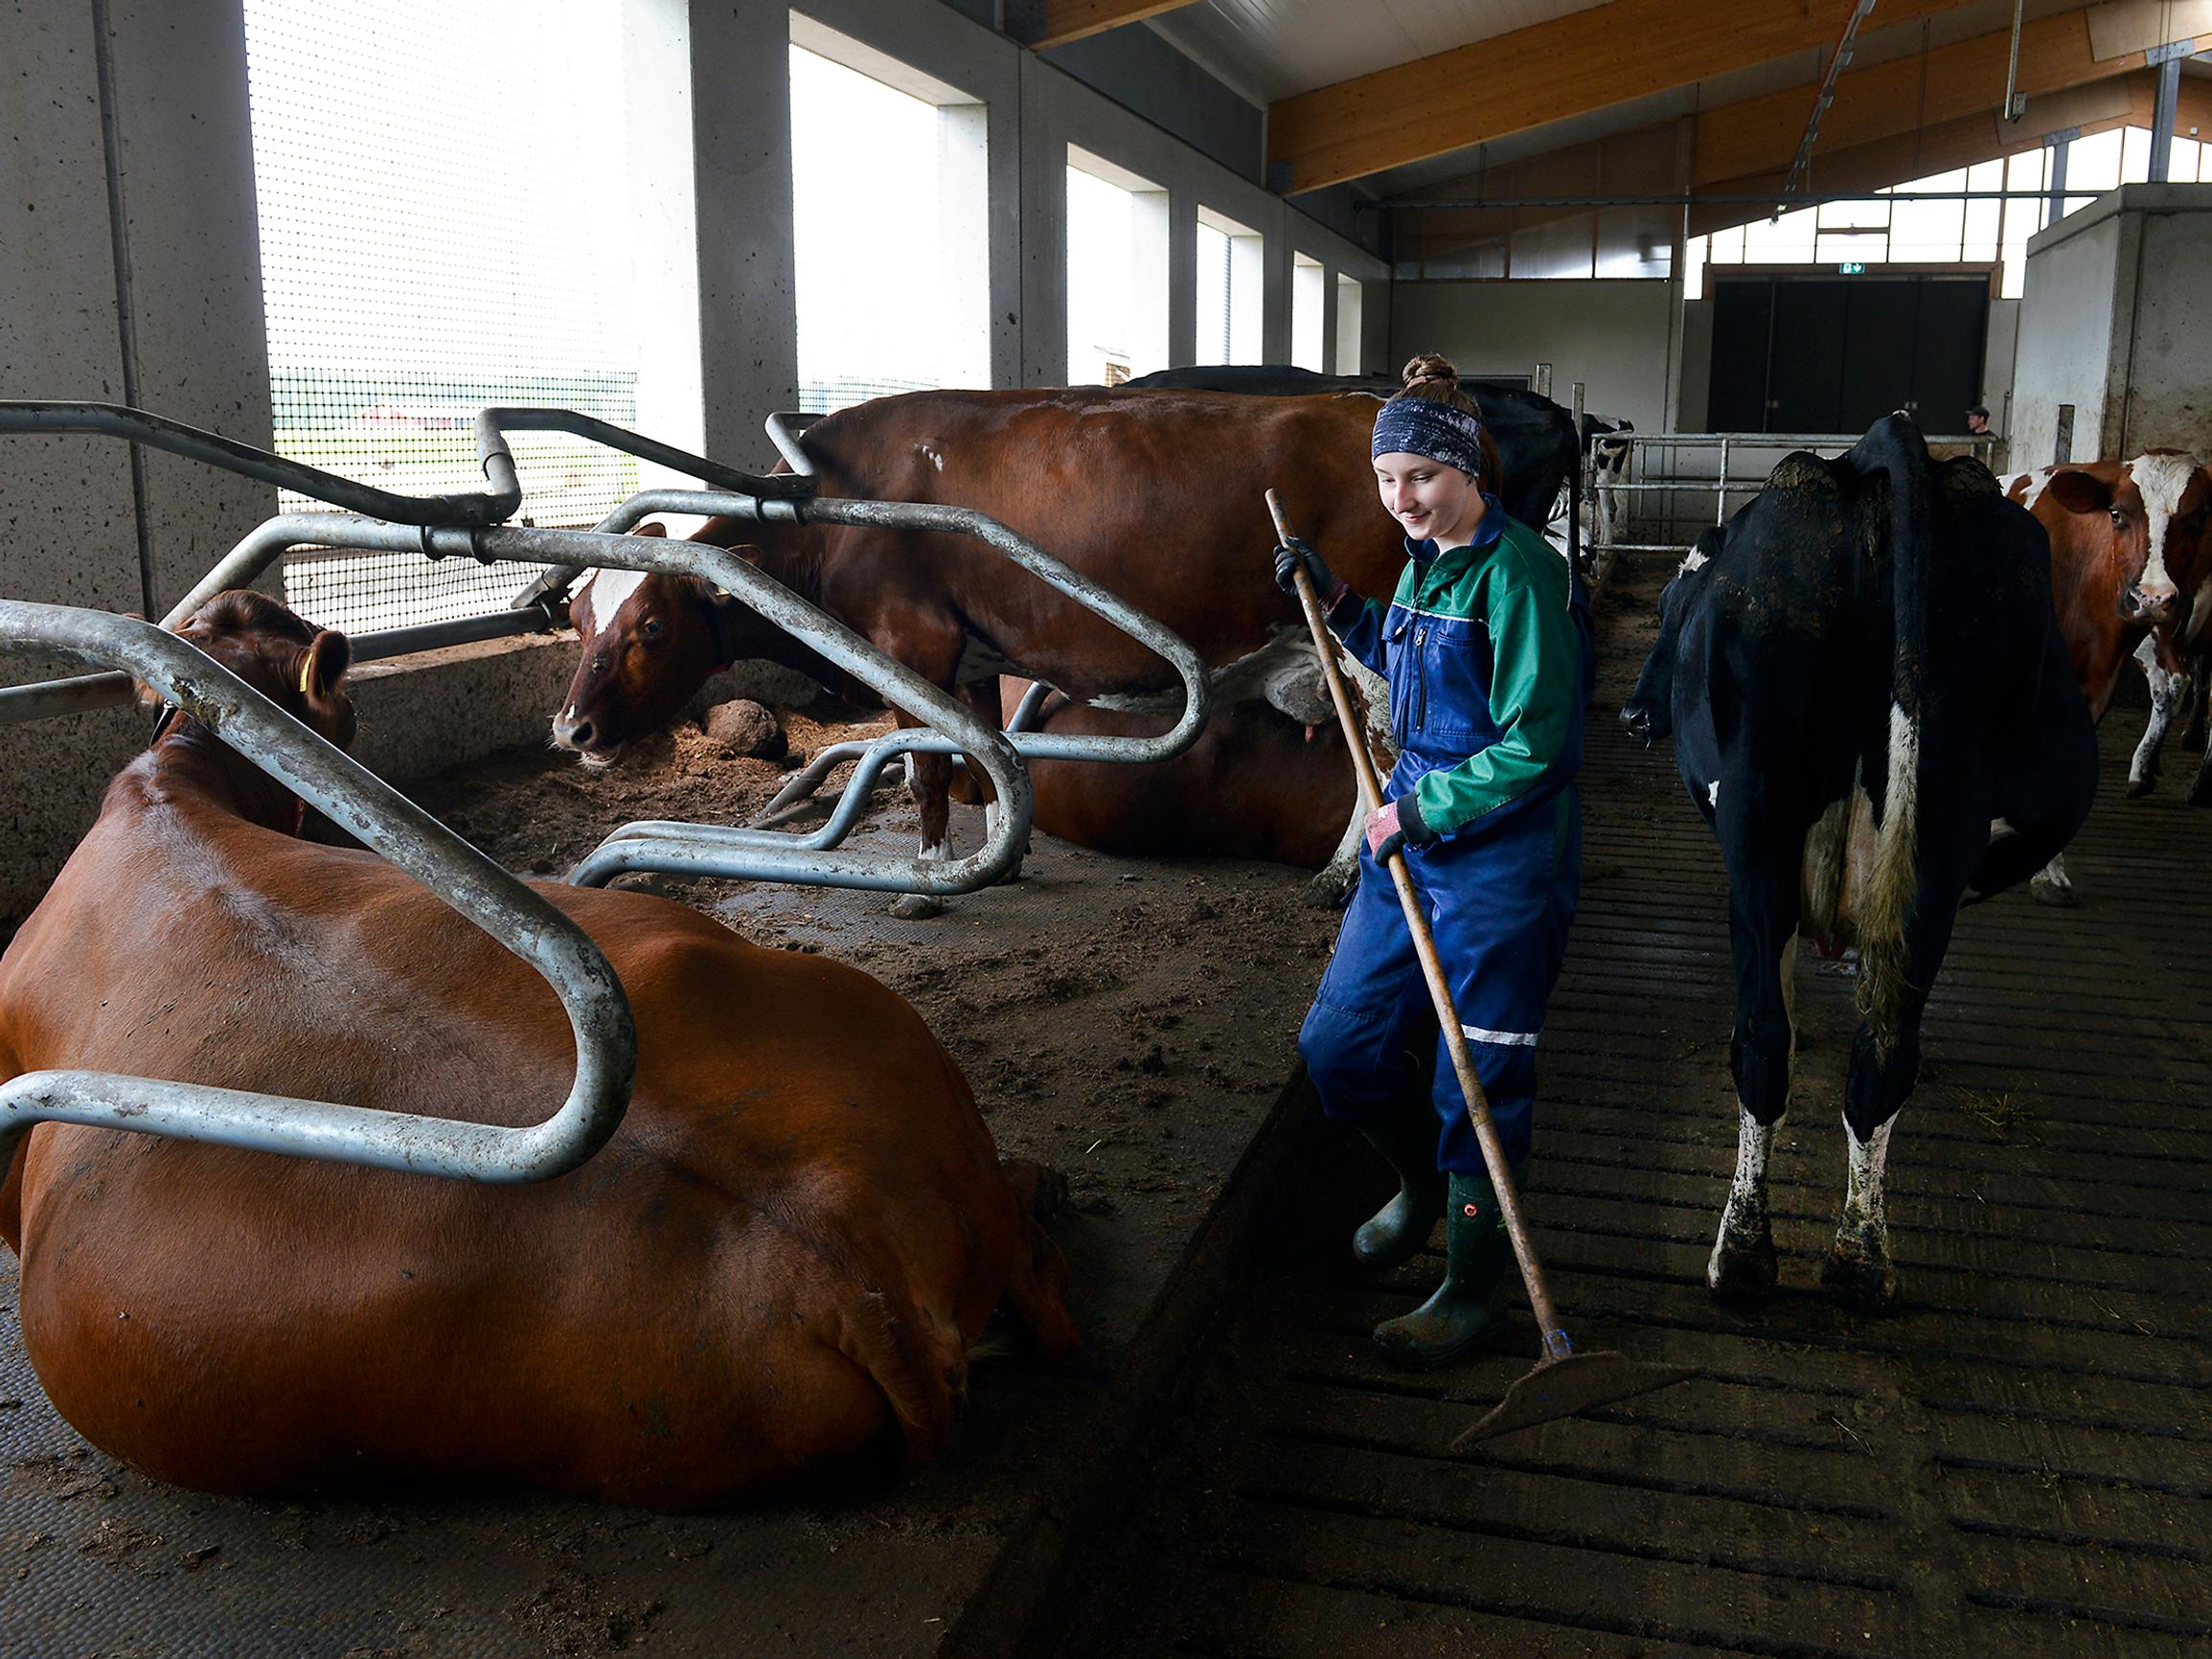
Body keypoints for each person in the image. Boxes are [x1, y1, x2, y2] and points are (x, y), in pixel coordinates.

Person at [1273, 353, 1594, 1367]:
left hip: (1498, 859)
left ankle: (1472, 1286)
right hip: (1406, 838)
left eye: (1418, 475)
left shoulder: (1522, 576)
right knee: (1337, 1048)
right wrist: (1336, 598)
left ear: (1467, 473)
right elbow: (1409, 668)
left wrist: (1418, 807)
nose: (1399, 498)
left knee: (1479, 1082)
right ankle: (1418, 1185)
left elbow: (1536, 744)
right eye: (1384, 479)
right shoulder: (1423, 564)